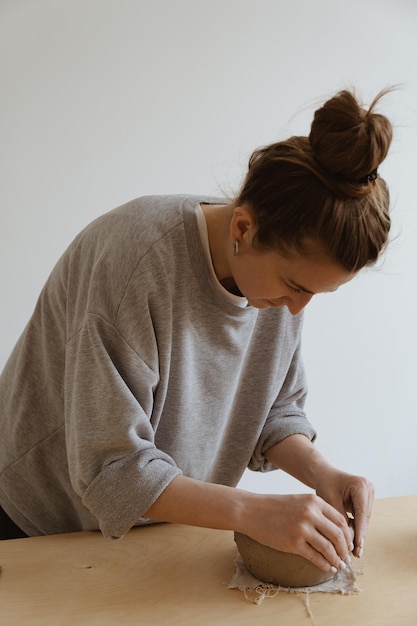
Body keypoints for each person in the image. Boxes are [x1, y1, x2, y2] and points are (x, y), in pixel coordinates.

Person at [0, 89, 392, 577]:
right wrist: (251, 509)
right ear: (245, 228)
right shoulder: (133, 265)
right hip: (34, 526)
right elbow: (113, 472)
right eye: (295, 286)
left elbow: (272, 411)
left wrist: (324, 474)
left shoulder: (276, 286)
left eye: (316, 294)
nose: (297, 309)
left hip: (155, 528)